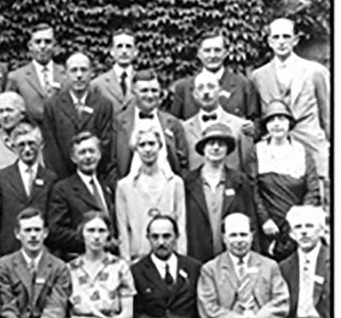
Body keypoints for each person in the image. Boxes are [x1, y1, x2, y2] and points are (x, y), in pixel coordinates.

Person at [250, 18, 329, 180]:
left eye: (286, 36)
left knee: (318, 196)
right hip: (275, 150)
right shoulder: (258, 76)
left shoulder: (315, 72)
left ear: (295, 40)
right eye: (276, 37)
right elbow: (258, 117)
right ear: (269, 42)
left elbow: (328, 116)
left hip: (311, 144)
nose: (281, 42)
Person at [254, 100, 321, 260]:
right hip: (268, 227)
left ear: (289, 123)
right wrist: (265, 220)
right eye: (271, 120)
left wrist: (297, 221)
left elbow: (313, 190)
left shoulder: (302, 151)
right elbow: (253, 189)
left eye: (281, 119)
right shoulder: (257, 151)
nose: (276, 124)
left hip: (296, 228)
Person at [183, 123, 257, 263]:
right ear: (203, 149)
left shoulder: (240, 181)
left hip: (233, 257)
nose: (215, 147)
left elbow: (250, 219)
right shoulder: (188, 182)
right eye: (211, 143)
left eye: (220, 144)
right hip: (197, 255)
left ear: (227, 150)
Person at [115, 125, 187, 262]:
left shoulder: (175, 183)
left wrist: (181, 258)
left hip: (169, 257)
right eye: (142, 145)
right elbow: (123, 228)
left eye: (152, 144)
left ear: (160, 146)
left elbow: (181, 224)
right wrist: (125, 260)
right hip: (138, 257)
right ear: (136, 149)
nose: (147, 149)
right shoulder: (125, 186)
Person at [0, 123, 56, 260]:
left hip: (44, 255)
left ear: (41, 145)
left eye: (32, 143)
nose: (27, 149)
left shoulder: (51, 179)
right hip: (8, 254)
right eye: (21, 145)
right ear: (13, 148)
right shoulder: (1, 178)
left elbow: (54, 221)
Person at [42, 52, 114, 179]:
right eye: (74, 70)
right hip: (62, 178)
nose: (79, 75)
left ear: (91, 73)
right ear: (65, 74)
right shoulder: (52, 106)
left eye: (84, 70)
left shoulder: (104, 105)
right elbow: (51, 148)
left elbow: (106, 144)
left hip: (95, 175)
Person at [168, 28, 260, 126]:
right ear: (199, 54)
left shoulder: (243, 85)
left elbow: (255, 124)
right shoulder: (183, 88)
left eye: (217, 50)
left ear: (225, 53)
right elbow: (174, 126)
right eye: (207, 51)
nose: (212, 55)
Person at [46, 132, 114, 259]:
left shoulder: (108, 187)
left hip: (110, 260)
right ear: (73, 158)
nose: (88, 156)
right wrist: (94, 240)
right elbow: (55, 231)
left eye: (91, 151)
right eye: (82, 152)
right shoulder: (62, 189)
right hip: (78, 259)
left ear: (99, 154)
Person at [111, 70, 188, 181]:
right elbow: (110, 165)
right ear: (133, 92)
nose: (150, 95)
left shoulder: (172, 123)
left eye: (154, 90)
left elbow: (183, 163)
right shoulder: (118, 123)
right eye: (144, 91)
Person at [182, 71, 256, 176]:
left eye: (211, 86)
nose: (206, 92)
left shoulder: (240, 126)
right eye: (200, 88)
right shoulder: (184, 128)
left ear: (220, 90)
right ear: (194, 94)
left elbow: (248, 168)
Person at [5, 23, 67, 126]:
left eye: (47, 42)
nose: (42, 46)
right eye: (38, 42)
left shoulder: (66, 75)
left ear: (54, 45)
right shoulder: (16, 77)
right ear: (30, 46)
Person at [90, 28, 138, 116]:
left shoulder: (144, 83)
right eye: (119, 46)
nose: (124, 51)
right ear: (112, 51)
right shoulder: (98, 84)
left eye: (128, 46)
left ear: (135, 52)